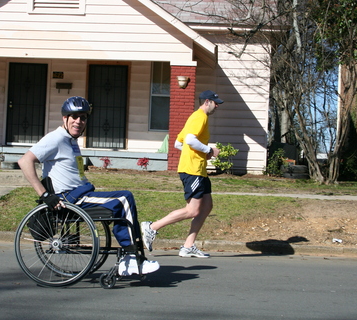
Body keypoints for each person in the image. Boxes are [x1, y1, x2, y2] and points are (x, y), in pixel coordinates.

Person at [18, 96, 159, 275]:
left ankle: (130, 256)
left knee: (121, 203)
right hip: (68, 199)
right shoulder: (56, 138)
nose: (78, 121)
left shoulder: (71, 140)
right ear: (65, 118)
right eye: (74, 117)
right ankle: (130, 257)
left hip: (79, 194)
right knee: (124, 198)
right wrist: (45, 195)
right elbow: (25, 161)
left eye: (83, 117)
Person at [141, 90, 223, 258]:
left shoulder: (194, 117)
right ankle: (151, 227)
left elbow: (179, 143)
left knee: (206, 207)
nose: (217, 106)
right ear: (207, 101)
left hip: (199, 169)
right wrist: (209, 150)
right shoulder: (200, 117)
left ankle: (188, 246)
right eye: (216, 103)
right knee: (192, 210)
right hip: (192, 171)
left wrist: (200, 154)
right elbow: (190, 140)